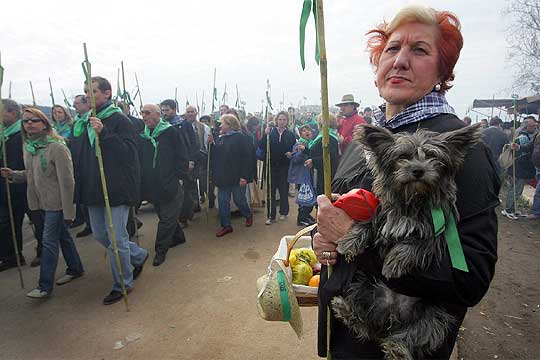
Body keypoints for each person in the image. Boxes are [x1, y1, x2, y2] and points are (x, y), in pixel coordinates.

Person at [313, 7, 500, 359]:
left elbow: (468, 276)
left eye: (419, 50)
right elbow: (339, 220)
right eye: (392, 49)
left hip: (404, 348)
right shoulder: (366, 140)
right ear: (377, 66)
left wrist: (358, 245)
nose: (399, 61)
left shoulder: (460, 149)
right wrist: (324, 239)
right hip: (346, 337)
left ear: (442, 70)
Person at [72, 76, 148, 305]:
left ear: (107, 93)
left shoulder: (118, 120)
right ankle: (138, 255)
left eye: (92, 91)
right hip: (93, 189)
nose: (87, 95)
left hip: (116, 188)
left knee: (116, 239)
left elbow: (128, 153)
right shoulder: (84, 122)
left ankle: (122, 283)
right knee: (101, 234)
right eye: (85, 91)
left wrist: (104, 132)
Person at [1, 107, 84, 298]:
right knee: (62, 237)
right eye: (25, 121)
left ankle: (44, 285)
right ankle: (75, 267)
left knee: (48, 241)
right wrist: (13, 175)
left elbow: (67, 181)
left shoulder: (57, 147)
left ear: (44, 123)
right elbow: (32, 174)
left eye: (34, 120)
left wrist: (69, 211)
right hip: (39, 202)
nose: (29, 124)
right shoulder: (28, 147)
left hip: (56, 204)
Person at [139, 104, 188, 266]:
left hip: (170, 183)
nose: (144, 116)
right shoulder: (144, 135)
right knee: (164, 215)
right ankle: (179, 237)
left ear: (158, 114)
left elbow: (182, 155)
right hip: (153, 186)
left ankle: (160, 251)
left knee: (166, 219)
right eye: (142, 113)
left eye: (147, 112)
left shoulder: (171, 132)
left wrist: (180, 177)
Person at [209, 114, 253, 237]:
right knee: (223, 202)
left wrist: (244, 176)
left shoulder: (240, 137)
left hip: (237, 176)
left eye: (222, 123)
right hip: (223, 177)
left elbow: (246, 158)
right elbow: (216, 156)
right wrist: (212, 144)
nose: (220, 126)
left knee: (239, 199)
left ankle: (248, 214)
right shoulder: (221, 138)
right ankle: (226, 226)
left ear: (230, 125)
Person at [161, 99, 198, 227]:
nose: (164, 113)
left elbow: (193, 143)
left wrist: (191, 161)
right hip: (168, 165)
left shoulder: (184, 124)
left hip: (183, 163)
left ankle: (184, 217)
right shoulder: (161, 126)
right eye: (163, 110)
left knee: (185, 192)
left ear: (174, 110)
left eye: (167, 110)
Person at [0, 99, 27, 271]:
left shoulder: (22, 133)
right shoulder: (3, 133)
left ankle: (43, 251)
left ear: (12, 113)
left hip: (22, 183)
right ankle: (12, 255)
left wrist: (16, 174)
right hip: (5, 184)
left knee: (37, 219)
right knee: (6, 222)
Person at [259, 111, 296, 225]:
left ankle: (283, 212)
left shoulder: (290, 134)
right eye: (280, 119)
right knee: (271, 190)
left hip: (284, 166)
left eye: (284, 120)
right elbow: (261, 146)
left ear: (287, 121)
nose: (282, 122)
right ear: (276, 120)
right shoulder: (270, 132)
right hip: (270, 165)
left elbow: (294, 149)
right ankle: (271, 215)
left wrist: (291, 153)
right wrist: (265, 135)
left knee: (283, 189)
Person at [502, 116, 538, 219]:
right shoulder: (524, 138)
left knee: (515, 189)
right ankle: (509, 209)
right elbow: (524, 154)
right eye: (532, 126)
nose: (534, 128)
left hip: (516, 167)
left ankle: (512, 208)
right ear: (527, 127)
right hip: (520, 168)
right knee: (516, 189)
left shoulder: (518, 134)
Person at [305, 113, 340, 197]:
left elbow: (330, 157)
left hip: (325, 175)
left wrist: (313, 161)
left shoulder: (328, 137)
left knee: (322, 198)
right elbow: (315, 151)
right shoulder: (325, 135)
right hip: (321, 172)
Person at [287, 124, 315, 226]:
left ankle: (306, 215)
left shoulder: (311, 143)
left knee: (310, 196)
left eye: (309, 130)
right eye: (304, 130)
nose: (307, 132)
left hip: (309, 175)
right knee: (304, 197)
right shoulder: (298, 144)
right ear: (301, 133)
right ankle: (302, 218)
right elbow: (295, 159)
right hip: (302, 176)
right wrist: (302, 151)